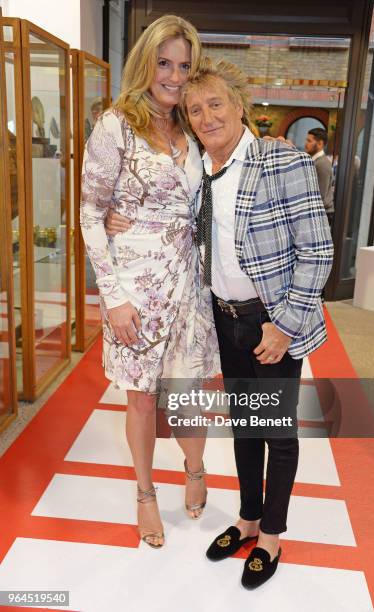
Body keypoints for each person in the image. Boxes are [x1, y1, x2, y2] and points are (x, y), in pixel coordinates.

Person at [107, 57, 333, 588]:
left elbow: (318, 251)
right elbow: (164, 216)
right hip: (224, 320)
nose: (206, 117)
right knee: (246, 428)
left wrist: (286, 324)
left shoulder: (282, 161)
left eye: (215, 104)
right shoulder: (199, 172)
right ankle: (248, 518)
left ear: (239, 107)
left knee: (276, 432)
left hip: (272, 321)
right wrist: (120, 217)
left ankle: (272, 534)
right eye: (194, 108)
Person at [80, 15, 219, 550]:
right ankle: (144, 493)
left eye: (185, 65)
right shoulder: (117, 124)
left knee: (189, 394)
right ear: (145, 63)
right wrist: (111, 297)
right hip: (135, 289)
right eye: (165, 63)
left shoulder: (197, 124)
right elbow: (91, 214)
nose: (175, 76)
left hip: (191, 284)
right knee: (140, 399)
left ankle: (195, 467)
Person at [304, 128, 335, 227]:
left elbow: (320, 195)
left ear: (320, 144)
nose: (305, 144)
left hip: (321, 215)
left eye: (309, 141)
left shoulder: (322, 164)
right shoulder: (316, 161)